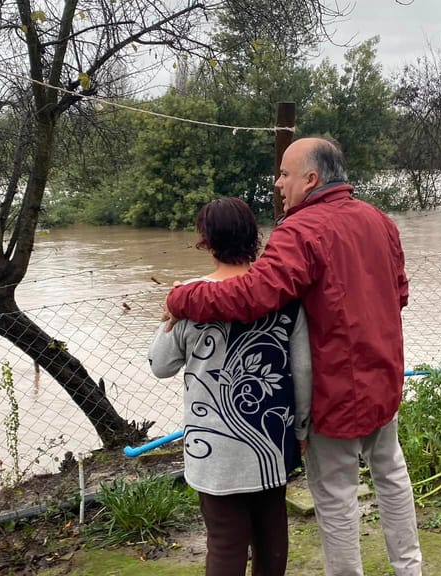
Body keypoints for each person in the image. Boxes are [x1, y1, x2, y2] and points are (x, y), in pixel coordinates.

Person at [164, 137, 422, 576]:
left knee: (337, 496)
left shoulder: (301, 230)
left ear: (311, 178)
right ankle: (410, 569)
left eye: (285, 173)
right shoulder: (378, 220)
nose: (278, 182)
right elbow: (399, 294)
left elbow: (253, 295)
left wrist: (183, 297)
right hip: (384, 378)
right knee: (392, 476)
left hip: (336, 389)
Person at [148, 197, 312, 576]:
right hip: (271, 438)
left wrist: (169, 315)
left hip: (212, 445)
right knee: (272, 533)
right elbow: (302, 370)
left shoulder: (188, 298)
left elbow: (160, 365)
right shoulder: (282, 294)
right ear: (255, 237)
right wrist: (300, 429)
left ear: (205, 241)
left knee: (224, 541)